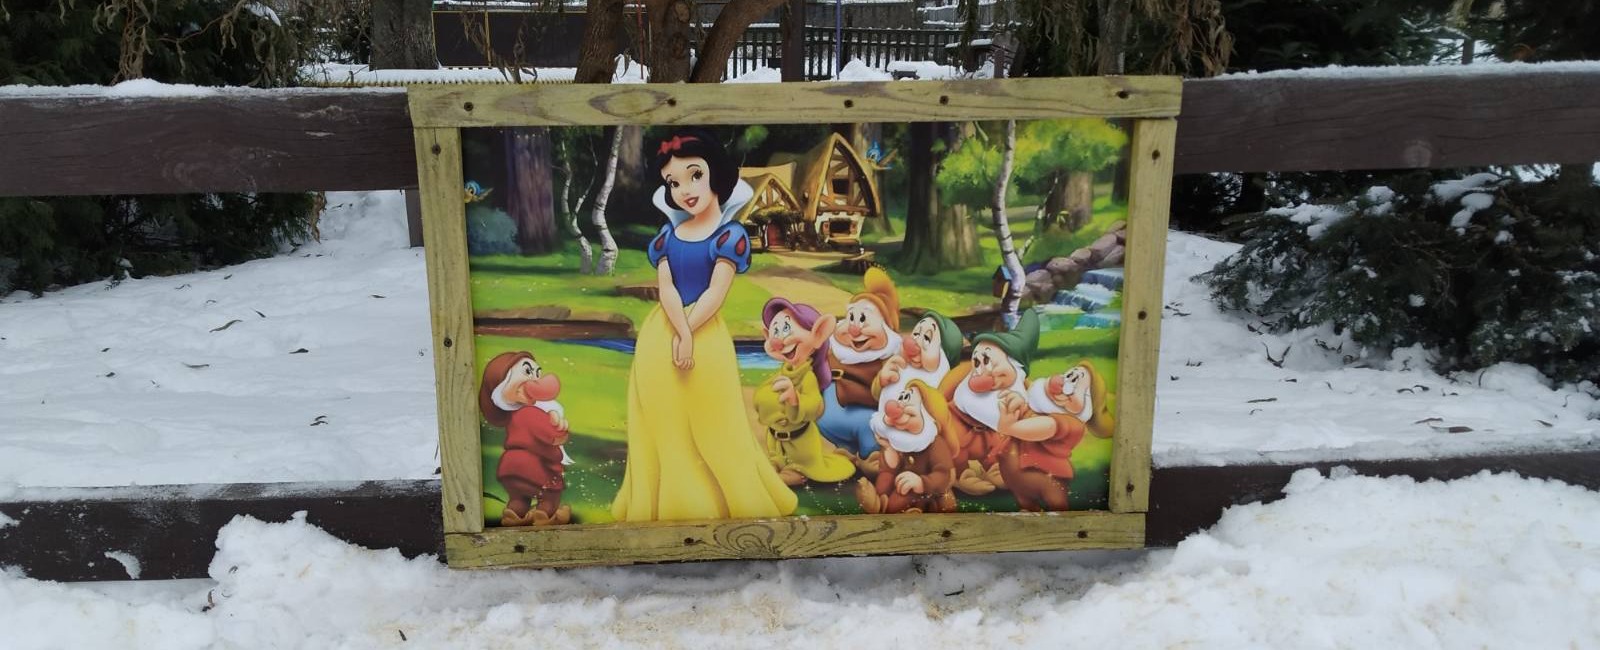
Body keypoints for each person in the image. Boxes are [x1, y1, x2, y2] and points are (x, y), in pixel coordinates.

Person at [611, 130, 798, 522]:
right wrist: (679, 332)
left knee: (713, 418)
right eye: (673, 182)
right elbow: (666, 287)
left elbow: (716, 292)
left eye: (695, 175)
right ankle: (672, 500)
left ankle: (727, 499)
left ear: (716, 174)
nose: (685, 189)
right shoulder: (667, 236)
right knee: (663, 417)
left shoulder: (729, 236)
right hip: (662, 333)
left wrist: (690, 332)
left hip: (706, 333)